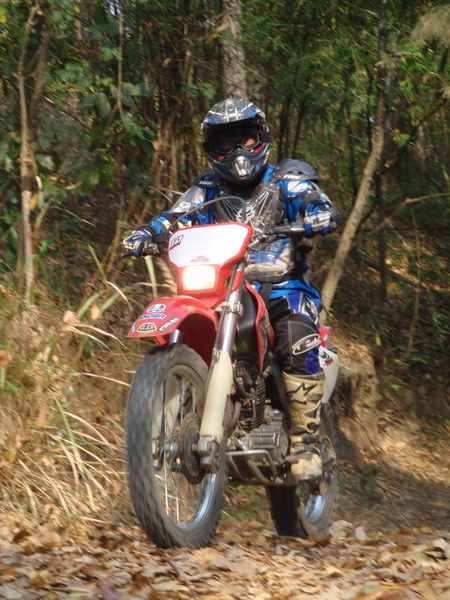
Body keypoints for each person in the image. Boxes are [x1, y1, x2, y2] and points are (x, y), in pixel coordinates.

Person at [123, 98, 340, 480]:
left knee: (295, 335)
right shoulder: (206, 188)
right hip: (222, 288)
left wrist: (317, 214)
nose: (238, 150)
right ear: (212, 148)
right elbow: (174, 216)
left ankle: (305, 443)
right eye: (227, 142)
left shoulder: (286, 179)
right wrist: (147, 232)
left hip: (283, 286)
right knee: (185, 329)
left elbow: (314, 201)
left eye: (246, 139)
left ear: (262, 138)